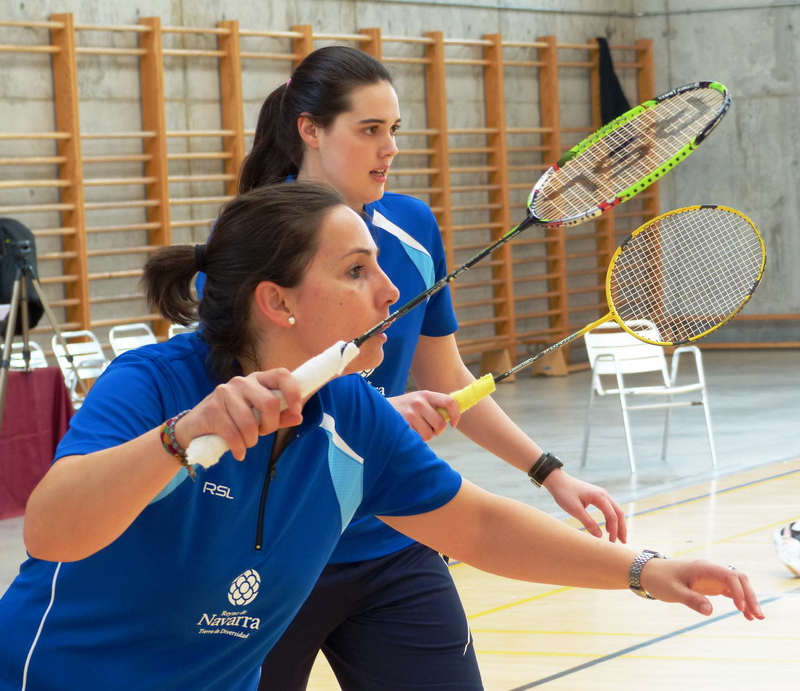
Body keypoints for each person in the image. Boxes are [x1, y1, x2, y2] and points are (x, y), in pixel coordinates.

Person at [0, 181, 764, 691]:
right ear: (279, 302)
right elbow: (51, 529)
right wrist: (181, 436)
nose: (392, 291)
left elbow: (479, 525)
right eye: (359, 270)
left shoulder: (353, 414)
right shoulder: (154, 383)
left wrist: (641, 569)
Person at [234, 46, 619, 689]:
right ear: (309, 129)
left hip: (393, 537)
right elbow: (238, 403)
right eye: (369, 130)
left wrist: (547, 472)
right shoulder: (248, 245)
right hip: (273, 553)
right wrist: (376, 417)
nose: (389, 148)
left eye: (394, 131)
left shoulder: (411, 227)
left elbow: (444, 373)